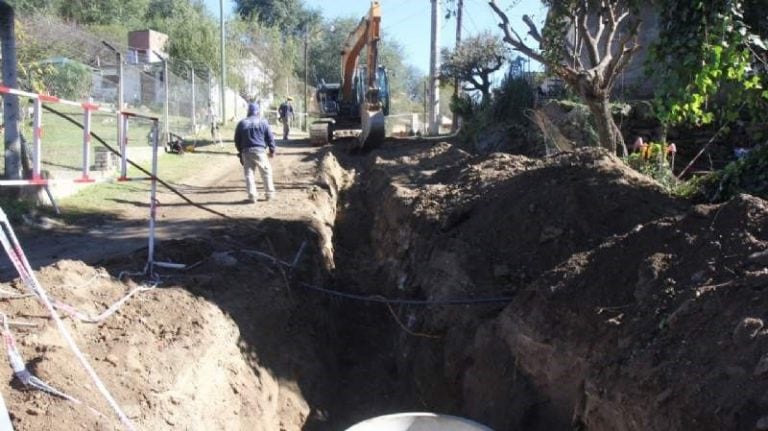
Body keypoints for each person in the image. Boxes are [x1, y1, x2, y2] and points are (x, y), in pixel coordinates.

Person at [234, 102, 276, 203]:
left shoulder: (242, 123)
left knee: (249, 174)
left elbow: (237, 140)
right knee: (266, 172)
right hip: (260, 151)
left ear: (248, 112)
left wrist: (240, 153)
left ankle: (252, 196)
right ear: (258, 112)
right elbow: (270, 137)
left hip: (246, 151)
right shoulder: (263, 122)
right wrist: (272, 150)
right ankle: (269, 194)